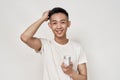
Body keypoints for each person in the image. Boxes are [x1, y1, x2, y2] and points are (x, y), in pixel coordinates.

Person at [20, 7, 87, 80]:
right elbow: (25, 37)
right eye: (54, 23)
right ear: (50, 25)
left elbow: (84, 78)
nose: (59, 26)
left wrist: (71, 72)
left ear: (68, 24)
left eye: (63, 22)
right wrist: (42, 19)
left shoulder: (77, 48)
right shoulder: (45, 45)